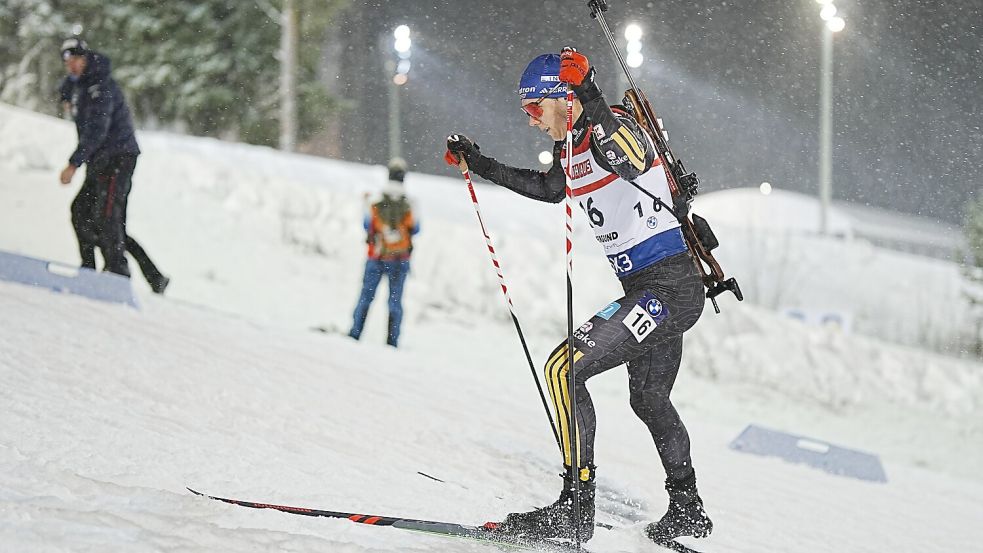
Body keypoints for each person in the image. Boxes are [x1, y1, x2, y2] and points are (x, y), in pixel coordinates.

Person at [444, 49, 712, 544]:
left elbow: (629, 156)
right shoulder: (573, 150)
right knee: (649, 398)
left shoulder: (617, 128)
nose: (532, 122)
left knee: (564, 369)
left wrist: (588, 89)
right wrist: (478, 162)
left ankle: (574, 510)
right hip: (648, 288)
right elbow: (548, 189)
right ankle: (687, 508)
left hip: (670, 287)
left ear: (562, 100)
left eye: (534, 109)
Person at [58, 37, 169, 294]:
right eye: (68, 61)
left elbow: (97, 130)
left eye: (77, 59)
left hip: (118, 158)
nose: (73, 66)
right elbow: (69, 92)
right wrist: (67, 96)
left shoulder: (101, 86)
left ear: (86, 58)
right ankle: (92, 270)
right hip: (100, 159)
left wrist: (74, 163)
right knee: (81, 212)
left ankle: (117, 276)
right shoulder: (79, 85)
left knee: (108, 219)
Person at [348, 158, 419, 347]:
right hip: (400, 259)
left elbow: (367, 225)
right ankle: (392, 342)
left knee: (366, 297)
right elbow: (416, 229)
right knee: (395, 302)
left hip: (377, 257)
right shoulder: (410, 204)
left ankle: (355, 334)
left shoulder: (376, 200)